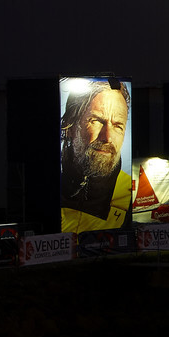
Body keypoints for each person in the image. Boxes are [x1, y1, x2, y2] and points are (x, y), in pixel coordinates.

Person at [59, 81, 132, 232]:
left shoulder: (131, 195)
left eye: (118, 126)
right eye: (97, 121)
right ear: (69, 127)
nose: (108, 137)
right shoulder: (43, 188)